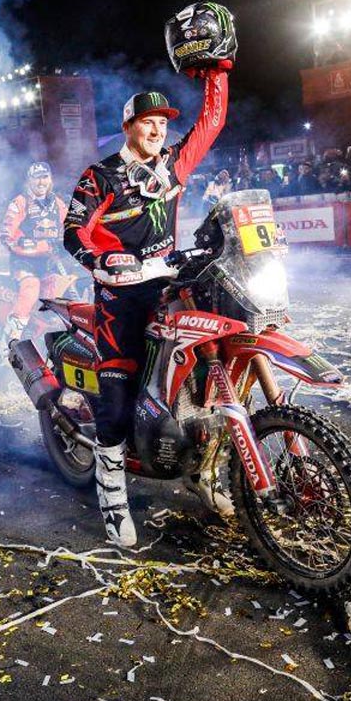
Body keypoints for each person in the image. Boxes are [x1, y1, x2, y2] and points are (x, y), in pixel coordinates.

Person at [62, 66, 231, 547]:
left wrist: (218, 71)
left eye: (162, 123)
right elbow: (73, 232)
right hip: (120, 296)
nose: (158, 130)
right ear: (128, 126)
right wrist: (99, 258)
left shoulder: (173, 164)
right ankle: (113, 498)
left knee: (202, 383)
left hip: (170, 287)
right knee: (116, 400)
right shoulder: (99, 176)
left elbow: (212, 122)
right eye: (148, 122)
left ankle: (202, 471)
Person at [0, 161, 69, 357]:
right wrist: (22, 242)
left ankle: (49, 347)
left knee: (57, 298)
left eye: (44, 177)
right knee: (31, 289)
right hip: (24, 263)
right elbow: (6, 234)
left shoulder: (58, 203)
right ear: (29, 180)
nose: (41, 182)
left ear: (50, 179)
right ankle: (7, 347)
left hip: (50, 263)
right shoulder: (20, 203)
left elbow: (70, 226)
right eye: (36, 178)